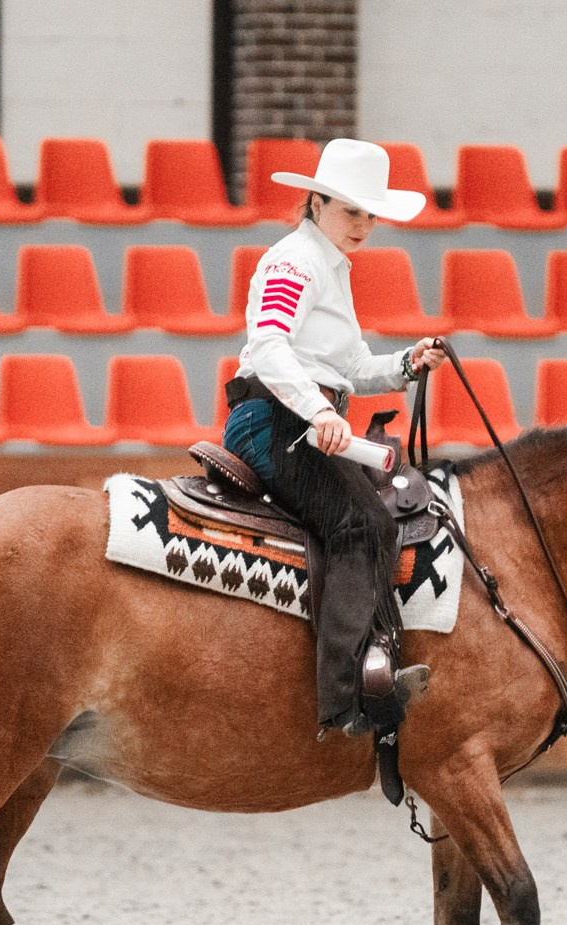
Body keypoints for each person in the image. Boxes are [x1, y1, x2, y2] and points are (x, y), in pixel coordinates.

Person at [225, 137, 447, 738]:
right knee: (363, 525)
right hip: (276, 420)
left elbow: (348, 368)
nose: (365, 225)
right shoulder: (293, 262)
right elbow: (269, 347)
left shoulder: (328, 267)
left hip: (305, 419)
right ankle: (348, 697)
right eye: (353, 211)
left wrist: (405, 364)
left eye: (371, 214)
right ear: (316, 202)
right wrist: (317, 411)